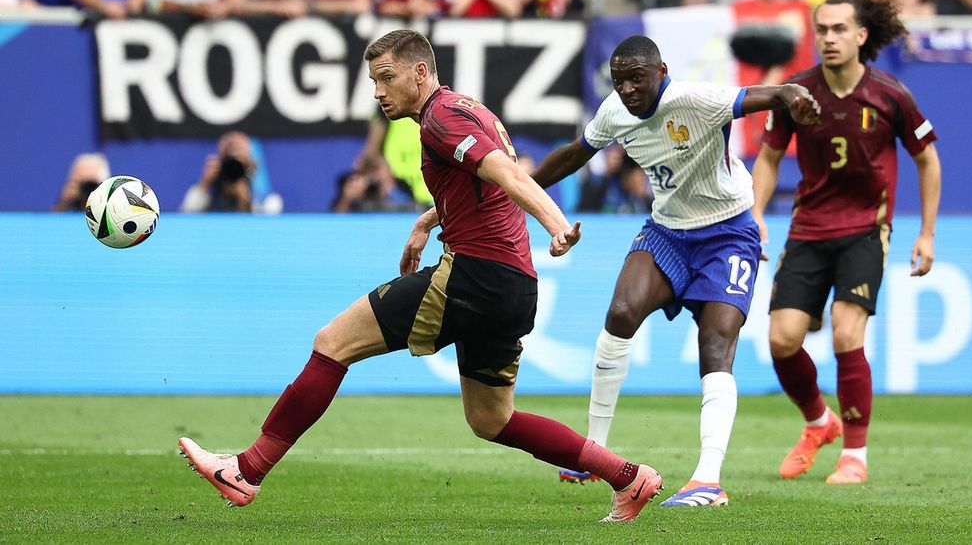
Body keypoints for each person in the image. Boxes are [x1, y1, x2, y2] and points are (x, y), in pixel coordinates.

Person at [177, 29, 665, 524]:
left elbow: (510, 176)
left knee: (333, 343)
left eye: (386, 78)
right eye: (373, 81)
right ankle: (629, 476)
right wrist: (427, 220)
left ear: (420, 72)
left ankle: (247, 469)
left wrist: (556, 225)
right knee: (491, 419)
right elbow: (480, 183)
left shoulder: (440, 119)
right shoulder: (467, 109)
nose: (378, 92)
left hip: (475, 276)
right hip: (515, 286)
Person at [530, 34, 820, 507]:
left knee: (715, 344)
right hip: (667, 230)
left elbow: (766, 96)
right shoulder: (614, 111)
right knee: (621, 312)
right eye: (619, 80)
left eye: (636, 78)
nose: (626, 89)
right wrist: (517, 187)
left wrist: (793, 96)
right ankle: (593, 452)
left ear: (661, 71)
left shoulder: (696, 99)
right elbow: (575, 152)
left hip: (728, 233)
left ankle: (708, 480)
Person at [751, 0, 941, 485]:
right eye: (822, 30)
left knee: (844, 333)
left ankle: (855, 455)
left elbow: (927, 160)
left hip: (864, 229)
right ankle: (819, 423)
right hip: (808, 229)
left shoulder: (890, 94)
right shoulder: (795, 92)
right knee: (782, 339)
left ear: (861, 34)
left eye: (839, 30)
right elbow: (769, 157)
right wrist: (756, 213)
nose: (829, 39)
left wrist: (926, 233)